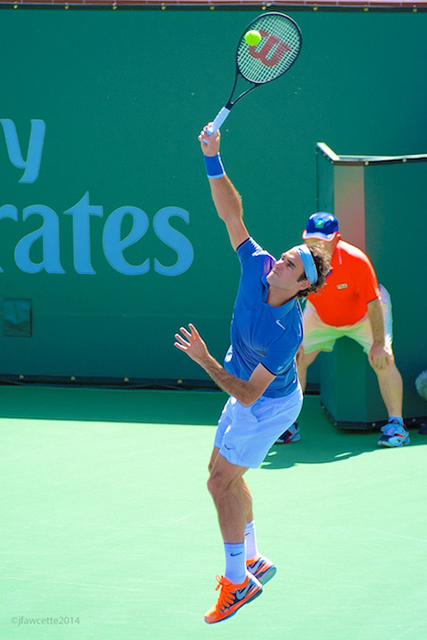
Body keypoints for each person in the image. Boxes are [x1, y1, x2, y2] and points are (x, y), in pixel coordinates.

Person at [174, 126, 330, 625]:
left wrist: (204, 359)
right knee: (222, 472)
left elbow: (246, 396)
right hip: (244, 384)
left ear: (302, 286)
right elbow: (231, 214)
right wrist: (212, 158)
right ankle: (255, 556)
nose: (278, 262)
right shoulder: (257, 264)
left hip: (269, 404)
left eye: (289, 265)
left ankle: (237, 581)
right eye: (284, 256)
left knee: (220, 482)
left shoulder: (287, 332)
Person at [275, 212, 409, 448]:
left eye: (322, 241)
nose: (316, 246)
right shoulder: (297, 260)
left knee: (383, 359)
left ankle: (397, 426)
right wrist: (294, 339)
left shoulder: (356, 260)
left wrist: (379, 343)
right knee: (295, 359)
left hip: (364, 316)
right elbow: (289, 297)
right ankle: (288, 425)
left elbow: (373, 302)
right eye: (311, 240)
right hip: (320, 316)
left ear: (336, 239)